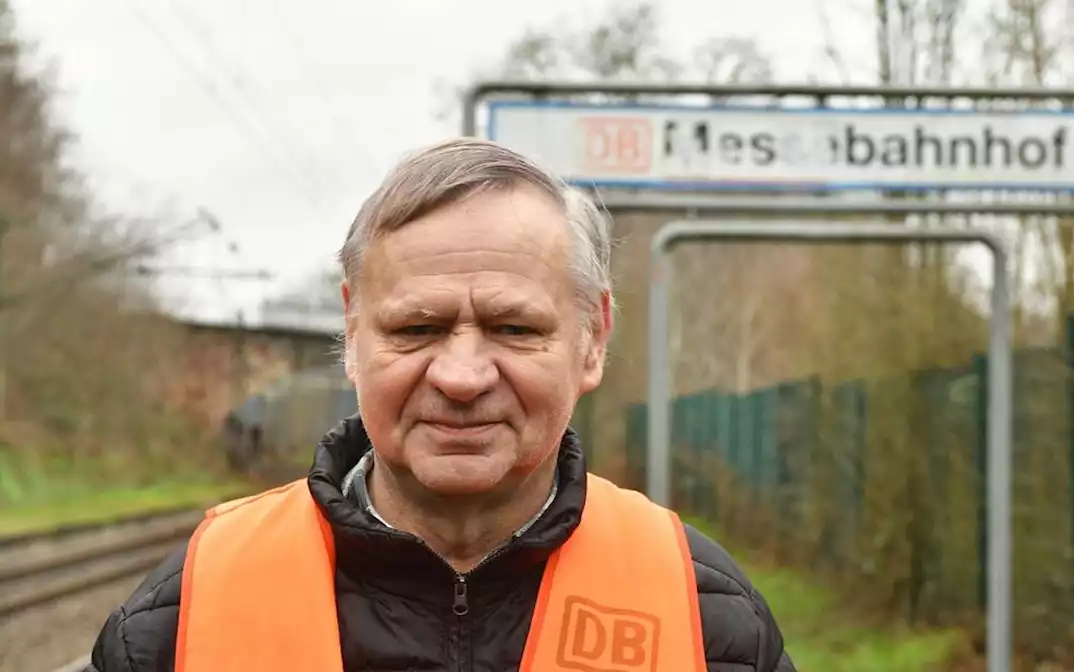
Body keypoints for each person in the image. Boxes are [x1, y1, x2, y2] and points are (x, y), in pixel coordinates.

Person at [86, 137, 795, 672]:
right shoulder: (184, 615)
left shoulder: (709, 624)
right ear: (352, 333)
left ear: (592, 339)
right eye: (415, 329)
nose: (460, 376)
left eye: (514, 329)